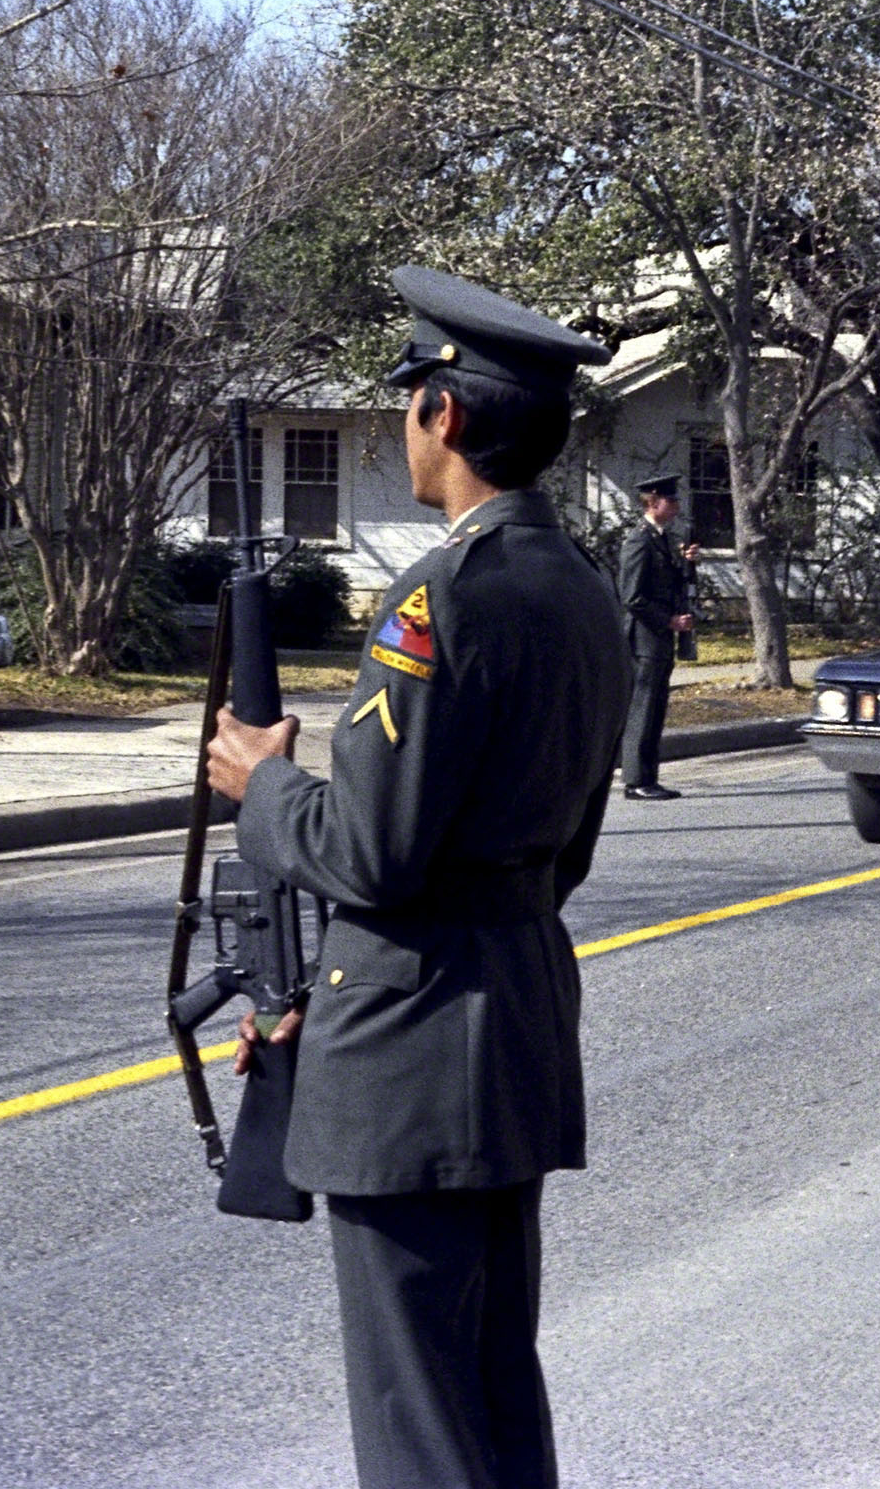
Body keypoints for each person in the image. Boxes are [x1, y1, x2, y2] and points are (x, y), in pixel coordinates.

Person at [205, 266, 627, 1489]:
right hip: (515, 1016)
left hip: (412, 1044)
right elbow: (564, 847)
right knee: (492, 1391)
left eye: (408, 401)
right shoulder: (577, 586)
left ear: (442, 413)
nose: (400, 424)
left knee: (416, 1422)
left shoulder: (443, 594)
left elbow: (373, 854)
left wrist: (266, 787)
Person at [617, 473, 698, 802]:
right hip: (645, 639)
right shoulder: (639, 541)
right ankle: (636, 780)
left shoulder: (662, 539)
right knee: (643, 709)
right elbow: (632, 597)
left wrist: (687, 563)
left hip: (659, 639)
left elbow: (671, 583)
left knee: (655, 710)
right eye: (671, 500)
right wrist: (669, 621)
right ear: (652, 502)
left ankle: (648, 777)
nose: (677, 505)